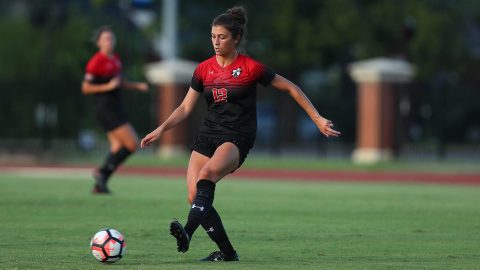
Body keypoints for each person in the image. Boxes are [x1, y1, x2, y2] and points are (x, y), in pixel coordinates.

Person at [141, 6, 340, 261]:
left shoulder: (250, 68)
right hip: (207, 135)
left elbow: (290, 87)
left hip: (236, 136)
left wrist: (317, 118)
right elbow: (185, 107)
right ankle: (227, 253)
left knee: (206, 175)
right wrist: (160, 129)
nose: (215, 41)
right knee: (194, 196)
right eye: (212, 36)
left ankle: (188, 232)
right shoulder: (203, 69)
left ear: (235, 38)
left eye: (221, 36)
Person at [82, 26, 149, 194]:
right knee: (133, 143)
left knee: (117, 146)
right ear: (98, 42)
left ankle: (100, 184)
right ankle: (102, 172)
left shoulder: (116, 59)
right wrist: (106, 86)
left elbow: (119, 82)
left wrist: (136, 85)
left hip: (116, 108)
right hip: (106, 110)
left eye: (111, 38)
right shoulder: (96, 61)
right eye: (105, 39)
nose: (109, 41)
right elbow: (86, 88)